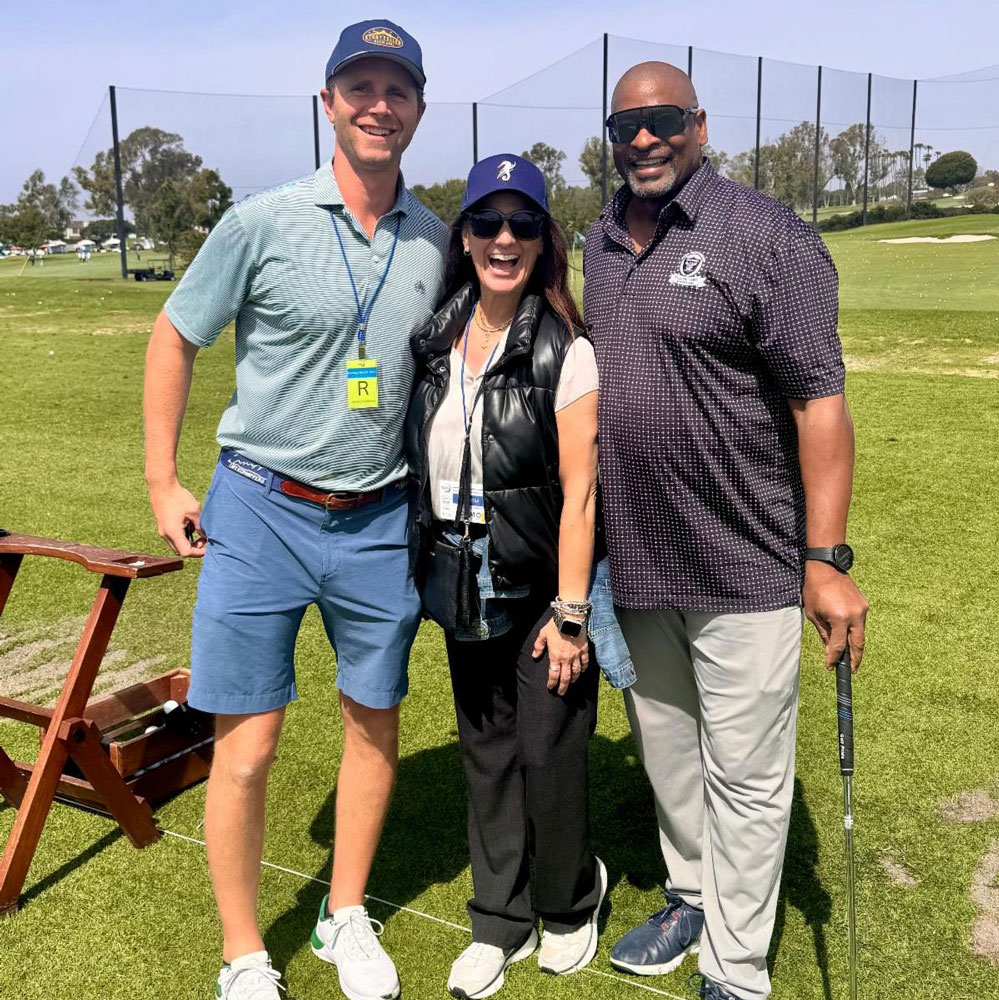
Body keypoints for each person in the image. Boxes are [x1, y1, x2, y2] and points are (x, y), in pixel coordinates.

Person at [142, 20, 448, 1000]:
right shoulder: (262, 221)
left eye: (396, 89)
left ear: (418, 108)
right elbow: (175, 334)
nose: (378, 105)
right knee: (249, 745)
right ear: (328, 104)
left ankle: (343, 913)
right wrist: (162, 479)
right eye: (359, 87)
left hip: (379, 519)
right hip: (260, 510)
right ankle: (243, 954)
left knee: (374, 722)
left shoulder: (437, 239)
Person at [583, 63, 869, 1000]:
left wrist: (824, 559)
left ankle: (738, 970)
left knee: (746, 775)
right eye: (625, 125)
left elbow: (820, 403)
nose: (644, 138)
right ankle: (692, 896)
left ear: (699, 125)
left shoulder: (766, 236)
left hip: (745, 558)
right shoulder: (599, 241)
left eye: (663, 119)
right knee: (670, 759)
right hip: (638, 559)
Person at [405, 153, 610, 999]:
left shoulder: (568, 349)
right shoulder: (436, 336)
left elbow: (581, 493)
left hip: (539, 588)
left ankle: (568, 901)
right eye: (487, 222)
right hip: (460, 577)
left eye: (522, 223)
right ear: (464, 237)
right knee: (486, 752)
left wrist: (571, 614)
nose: (503, 238)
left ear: (542, 240)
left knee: (548, 753)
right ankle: (499, 917)